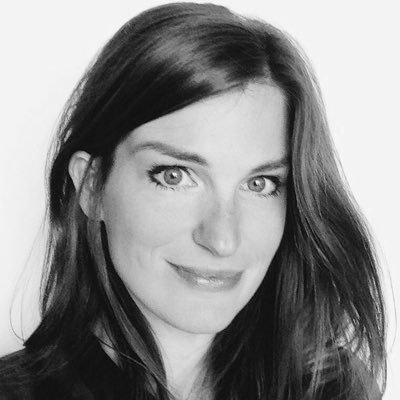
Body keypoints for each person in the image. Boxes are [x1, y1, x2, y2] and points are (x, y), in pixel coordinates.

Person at [0, 2, 386, 399]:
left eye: (260, 184)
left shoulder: (334, 388)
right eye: (175, 176)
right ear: (92, 186)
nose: (222, 239)